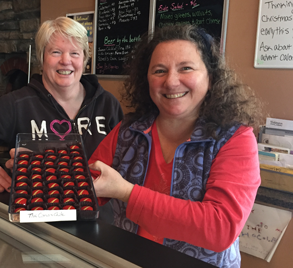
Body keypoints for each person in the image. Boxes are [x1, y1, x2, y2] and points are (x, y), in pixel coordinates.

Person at [87, 24, 262, 268]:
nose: (171, 82)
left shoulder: (236, 139)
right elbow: (85, 184)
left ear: (211, 77)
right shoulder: (128, 130)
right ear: (146, 79)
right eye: (159, 70)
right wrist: (34, 168)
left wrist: (127, 192)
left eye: (186, 68)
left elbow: (220, 228)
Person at [0, 17, 123, 192]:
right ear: (41, 59)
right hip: (39, 212)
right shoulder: (16, 104)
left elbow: (127, 160)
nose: (66, 60)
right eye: (56, 52)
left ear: (84, 60)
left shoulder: (107, 103)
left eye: (75, 53)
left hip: (100, 215)